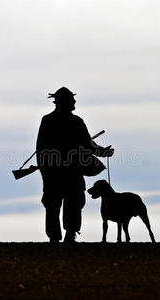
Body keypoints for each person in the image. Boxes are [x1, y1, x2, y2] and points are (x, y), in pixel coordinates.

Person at [36, 87, 114, 243]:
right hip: (64, 171)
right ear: (63, 102)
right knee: (59, 204)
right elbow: (88, 146)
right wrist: (101, 152)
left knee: (67, 203)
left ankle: (63, 236)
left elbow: (87, 145)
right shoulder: (70, 121)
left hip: (59, 171)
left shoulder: (61, 121)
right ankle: (61, 236)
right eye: (71, 100)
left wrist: (101, 152)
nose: (74, 102)